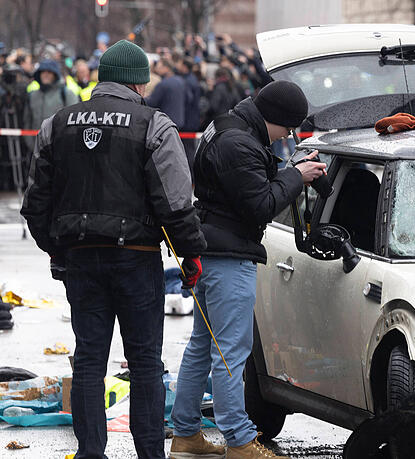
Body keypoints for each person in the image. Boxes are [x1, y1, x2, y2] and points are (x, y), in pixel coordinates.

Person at [20, 39, 207, 459]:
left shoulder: (57, 123)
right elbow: (176, 203)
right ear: (139, 84)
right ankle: (149, 454)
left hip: (81, 259)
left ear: (101, 79)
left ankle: (91, 453)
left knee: (89, 359)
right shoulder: (153, 125)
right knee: (144, 364)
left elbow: (35, 204)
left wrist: (59, 250)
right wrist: (191, 253)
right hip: (137, 259)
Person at [170, 81, 326, 459]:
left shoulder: (228, 127)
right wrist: (295, 176)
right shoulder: (238, 143)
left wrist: (286, 170)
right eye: (287, 128)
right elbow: (260, 205)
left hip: (211, 250)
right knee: (230, 352)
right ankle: (240, 441)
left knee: (202, 346)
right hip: (229, 256)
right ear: (273, 118)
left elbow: (242, 185)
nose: (286, 136)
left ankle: (186, 434)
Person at [24, 59, 79, 145]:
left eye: (49, 72)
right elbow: (27, 121)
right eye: (43, 72)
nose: (45, 75)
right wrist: (31, 144)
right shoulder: (32, 96)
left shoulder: (66, 94)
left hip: (60, 149)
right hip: (36, 149)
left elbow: (74, 123)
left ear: (55, 74)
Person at [146, 58, 187, 128]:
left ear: (166, 68)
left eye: (159, 67)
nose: (156, 69)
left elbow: (152, 102)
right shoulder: (181, 81)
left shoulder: (163, 84)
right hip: (179, 120)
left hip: (166, 122)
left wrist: (143, 98)